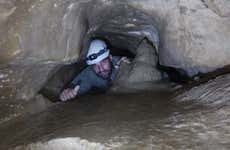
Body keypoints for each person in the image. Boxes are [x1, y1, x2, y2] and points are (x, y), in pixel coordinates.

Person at [59, 39, 130, 101]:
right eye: (95, 65)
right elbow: (73, 88)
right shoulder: (90, 73)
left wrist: (130, 66)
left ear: (110, 58)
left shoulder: (122, 63)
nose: (101, 69)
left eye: (103, 62)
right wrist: (66, 94)